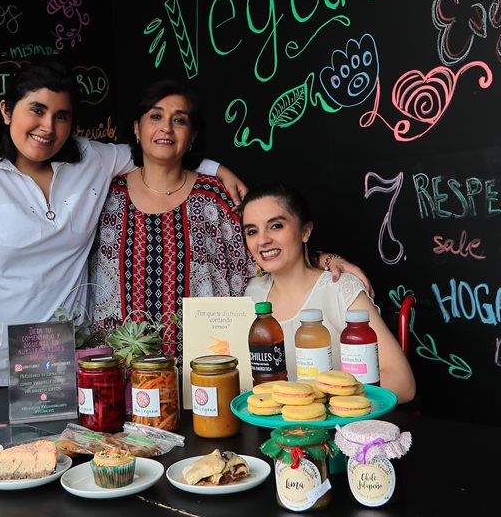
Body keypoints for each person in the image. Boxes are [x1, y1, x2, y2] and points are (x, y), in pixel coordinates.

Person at [0, 62, 244, 384]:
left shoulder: (90, 161)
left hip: (71, 368)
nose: (48, 126)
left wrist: (217, 169)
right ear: (6, 110)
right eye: (37, 110)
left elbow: (155, 150)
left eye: (62, 116)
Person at [89, 80, 373, 362]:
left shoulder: (217, 196)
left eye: (180, 120)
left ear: (193, 135)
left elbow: (264, 252)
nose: (166, 128)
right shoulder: (106, 195)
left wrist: (322, 258)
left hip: (206, 372)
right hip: (118, 370)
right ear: (137, 129)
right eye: (156, 116)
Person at [241, 181, 416, 403]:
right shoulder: (252, 294)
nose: (263, 240)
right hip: (268, 430)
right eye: (252, 231)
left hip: (337, 430)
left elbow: (402, 383)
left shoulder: (340, 288)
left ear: (305, 231)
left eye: (276, 226)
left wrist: (319, 399)